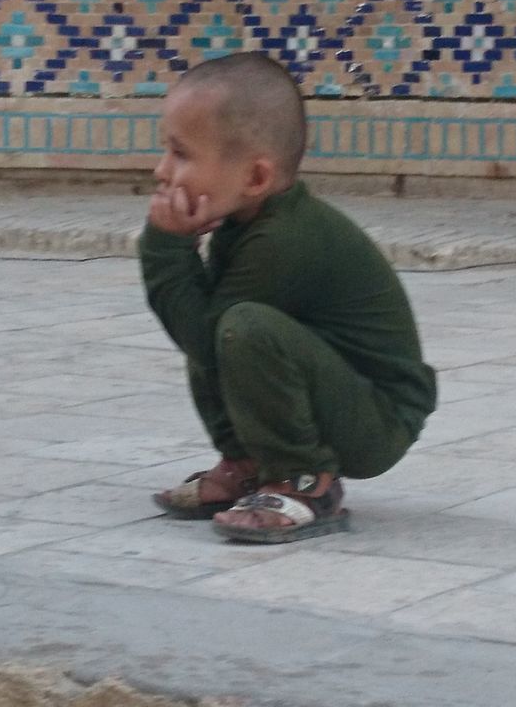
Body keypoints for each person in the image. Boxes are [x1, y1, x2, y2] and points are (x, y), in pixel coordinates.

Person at [138, 51, 437, 544]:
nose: (161, 170)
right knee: (216, 318)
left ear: (255, 178)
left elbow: (212, 342)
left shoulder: (285, 239)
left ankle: (305, 481)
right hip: (337, 396)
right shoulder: (247, 222)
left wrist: (165, 247)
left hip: (378, 419)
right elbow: (204, 336)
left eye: (181, 153)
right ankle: (247, 465)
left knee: (237, 327)